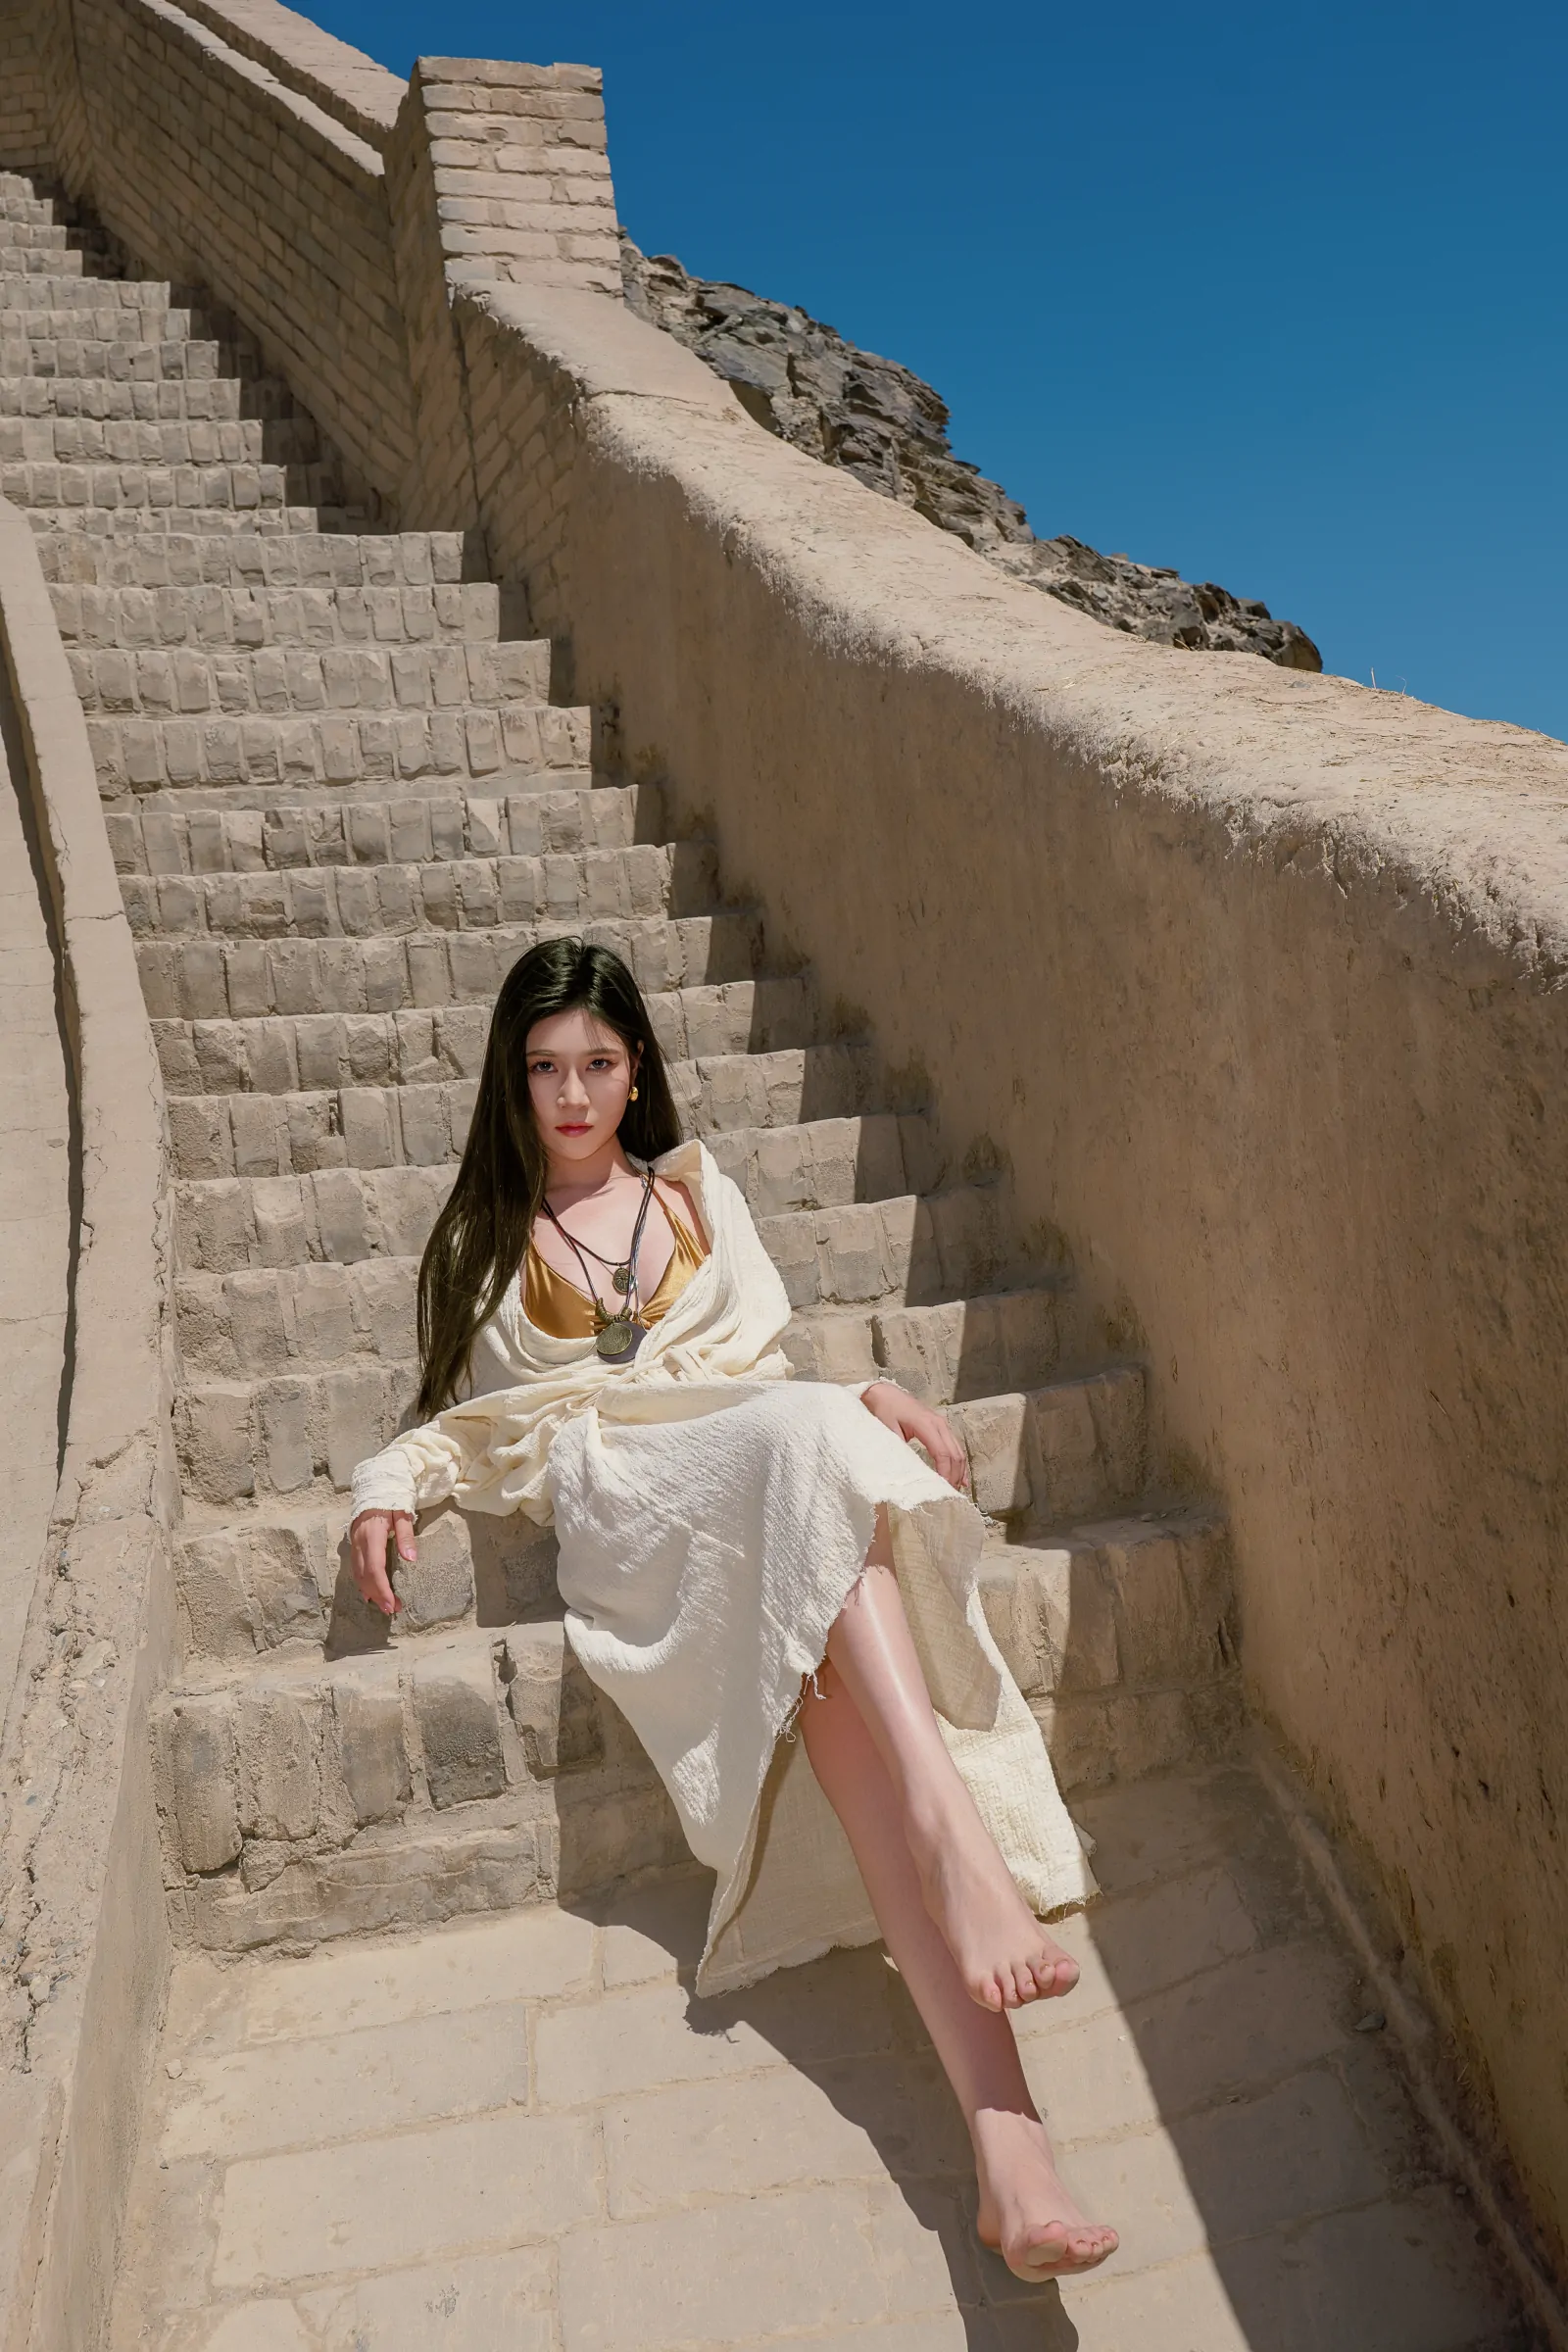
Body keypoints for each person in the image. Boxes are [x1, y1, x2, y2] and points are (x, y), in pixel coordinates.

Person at [349, 938, 1119, 2283]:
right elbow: (478, 1425)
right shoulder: (485, 1240)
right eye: (544, 1068)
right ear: (512, 1081)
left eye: (598, 1063)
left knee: (840, 1680)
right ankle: (956, 1837)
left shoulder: (702, 1196)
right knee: (813, 1487)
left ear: (637, 1066)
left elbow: (762, 1367)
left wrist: (860, 1392)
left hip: (757, 1466)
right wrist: (384, 1487)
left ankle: (1015, 2167)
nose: (573, 1094)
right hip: (629, 1493)